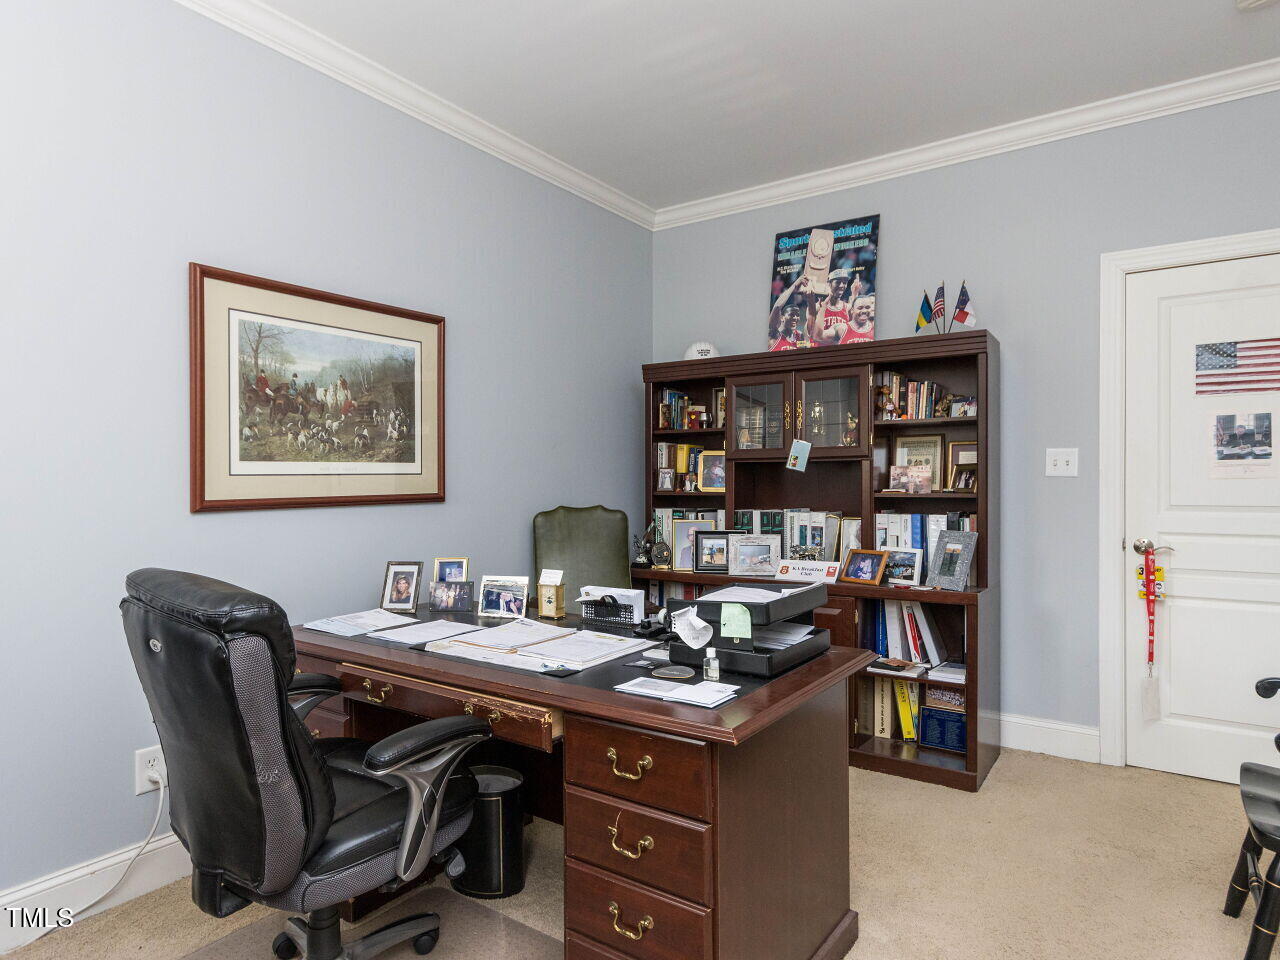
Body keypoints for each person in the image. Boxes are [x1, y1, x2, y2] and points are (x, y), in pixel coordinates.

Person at [807, 269, 861, 346]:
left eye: (844, 283)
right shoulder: (817, 307)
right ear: (829, 284)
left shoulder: (847, 307)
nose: (842, 285)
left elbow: (853, 331)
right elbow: (810, 333)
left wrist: (855, 293)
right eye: (838, 282)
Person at [768, 275, 812, 349]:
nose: (795, 317)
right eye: (792, 314)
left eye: (797, 315)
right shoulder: (774, 335)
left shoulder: (799, 337)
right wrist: (795, 285)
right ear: (782, 318)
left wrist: (811, 300)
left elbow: (810, 345)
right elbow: (777, 307)